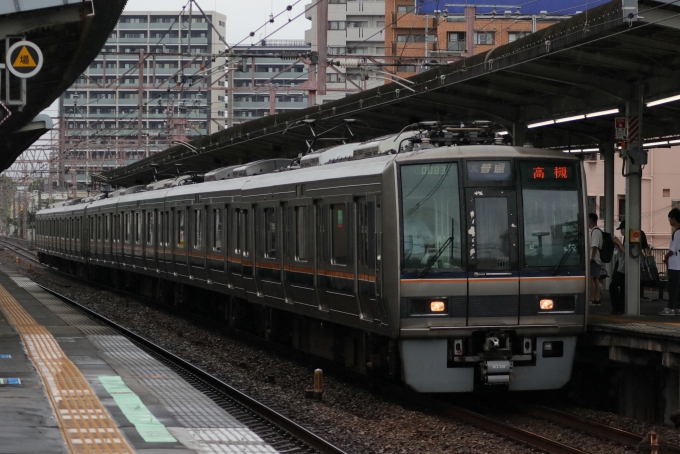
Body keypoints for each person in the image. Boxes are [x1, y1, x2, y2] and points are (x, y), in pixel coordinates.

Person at [661, 208, 680, 316]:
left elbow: (673, 250)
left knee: (672, 287)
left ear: (674, 219)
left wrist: (666, 257)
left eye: (670, 218)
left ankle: (670, 308)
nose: (669, 221)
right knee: (678, 287)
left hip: (675, 264)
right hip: (678, 264)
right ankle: (677, 307)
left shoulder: (677, 233)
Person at [610, 222, 626, 315]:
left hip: (624, 269)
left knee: (613, 286)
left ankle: (617, 308)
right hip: (622, 268)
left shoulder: (627, 239)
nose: (621, 232)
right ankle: (621, 308)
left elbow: (626, 252)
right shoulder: (625, 239)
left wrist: (618, 243)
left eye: (622, 229)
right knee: (623, 288)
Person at [588, 213, 603, 306]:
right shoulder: (596, 231)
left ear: (590, 221)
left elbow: (594, 246)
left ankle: (592, 298)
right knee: (595, 279)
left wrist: (591, 258)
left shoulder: (596, 232)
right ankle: (596, 298)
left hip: (594, 259)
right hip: (596, 259)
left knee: (591, 279)